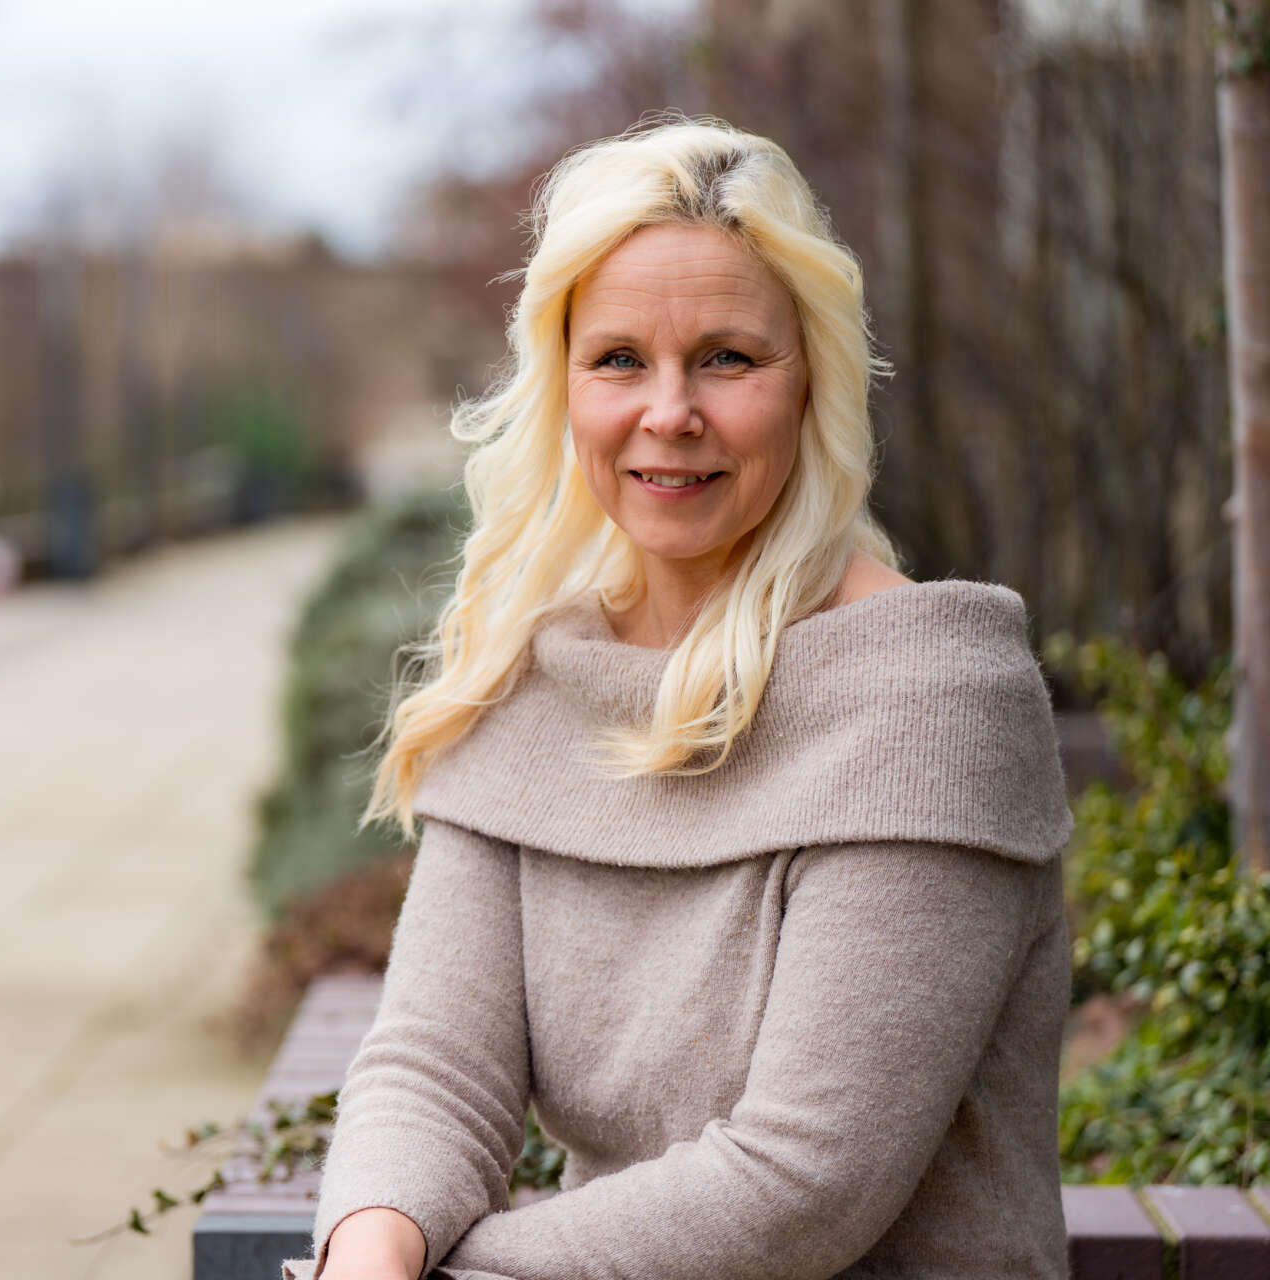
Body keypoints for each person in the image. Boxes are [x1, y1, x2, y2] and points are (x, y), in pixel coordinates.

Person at [279, 116, 1073, 1280]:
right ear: (561, 386)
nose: (668, 412)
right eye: (617, 361)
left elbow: (803, 1181)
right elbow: (435, 1069)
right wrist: (368, 1260)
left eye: (726, 358)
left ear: (812, 382)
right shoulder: (533, 676)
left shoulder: (926, 697)